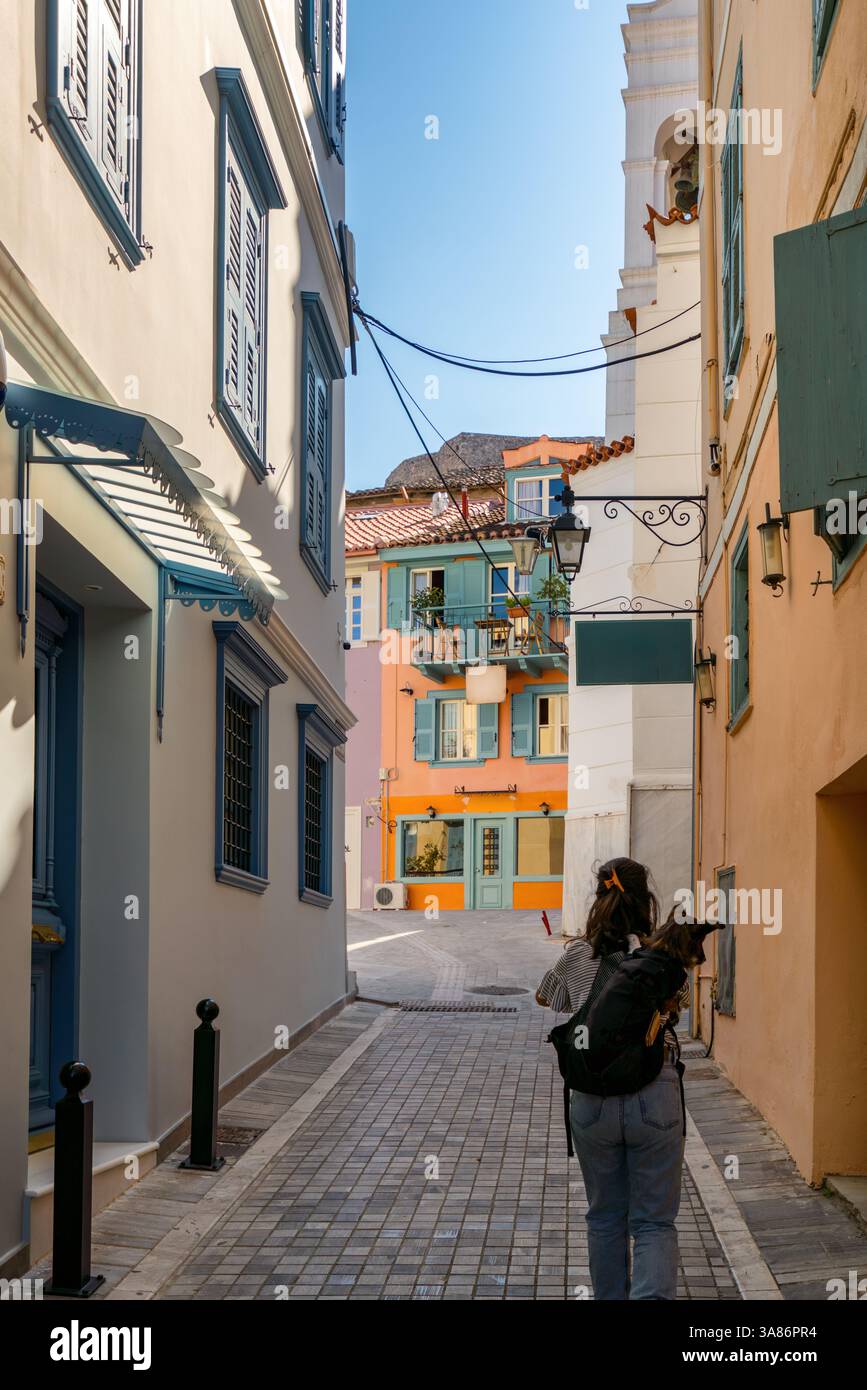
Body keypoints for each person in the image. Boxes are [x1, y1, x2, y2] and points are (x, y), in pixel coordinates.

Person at [535, 857, 687, 1301]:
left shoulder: (580, 955)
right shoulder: (660, 955)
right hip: (653, 1093)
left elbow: (548, 997)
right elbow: (679, 1004)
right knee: (654, 1221)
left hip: (592, 1099)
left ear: (599, 900)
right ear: (646, 902)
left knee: (604, 1217)